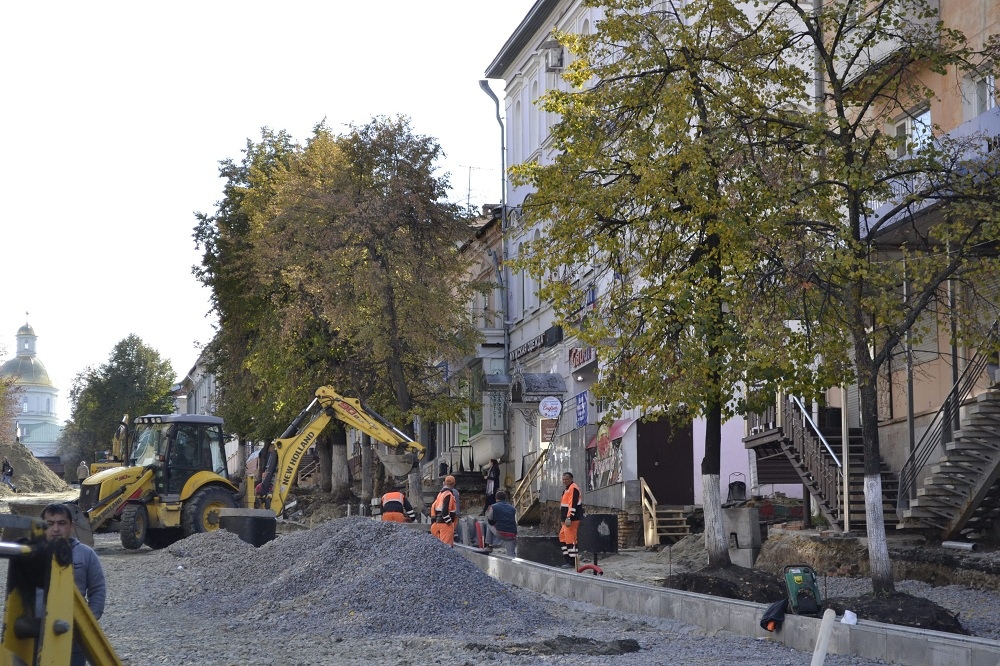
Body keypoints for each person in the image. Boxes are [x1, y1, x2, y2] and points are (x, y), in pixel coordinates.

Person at [40, 503, 106, 666]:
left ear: (70, 526)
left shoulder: (86, 554)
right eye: (50, 524)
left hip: (74, 631)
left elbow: (97, 589)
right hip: (37, 630)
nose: (55, 529)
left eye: (61, 523)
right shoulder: (32, 554)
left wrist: (88, 620)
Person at [559, 471, 584, 569]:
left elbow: (572, 504)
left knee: (570, 539)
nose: (564, 481)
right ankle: (568, 559)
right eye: (563, 479)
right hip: (566, 519)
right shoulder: (567, 489)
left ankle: (572, 562)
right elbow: (565, 505)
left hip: (571, 519)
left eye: (566, 479)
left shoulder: (573, 488)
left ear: (571, 479)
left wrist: (569, 517)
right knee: (563, 537)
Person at [484, 489, 517, 556]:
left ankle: (489, 546)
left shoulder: (493, 507)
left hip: (501, 533)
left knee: (488, 524)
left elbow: (490, 521)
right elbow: (514, 522)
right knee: (511, 555)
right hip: (512, 534)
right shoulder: (513, 508)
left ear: (496, 498)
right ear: (505, 499)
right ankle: (512, 559)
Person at [430, 475, 460, 546]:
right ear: (453, 484)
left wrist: (433, 522)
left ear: (444, 483)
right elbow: (445, 511)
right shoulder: (449, 494)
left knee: (440, 547)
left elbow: (433, 507)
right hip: (445, 524)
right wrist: (449, 523)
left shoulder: (440, 494)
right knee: (446, 547)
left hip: (437, 523)